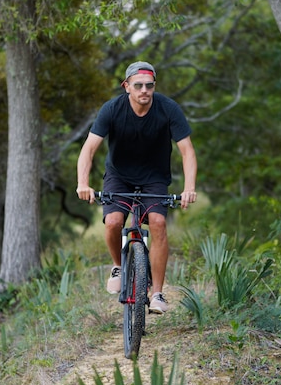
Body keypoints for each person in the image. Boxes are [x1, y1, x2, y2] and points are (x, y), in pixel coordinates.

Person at [76, 61, 197, 314]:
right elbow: (88, 148)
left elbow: (187, 151)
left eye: (149, 85)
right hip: (119, 176)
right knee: (112, 222)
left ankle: (158, 294)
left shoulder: (168, 109)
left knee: (158, 223)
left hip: (154, 177)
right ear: (127, 87)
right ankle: (117, 265)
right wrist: (82, 184)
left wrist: (189, 188)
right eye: (139, 85)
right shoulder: (112, 109)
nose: (145, 90)